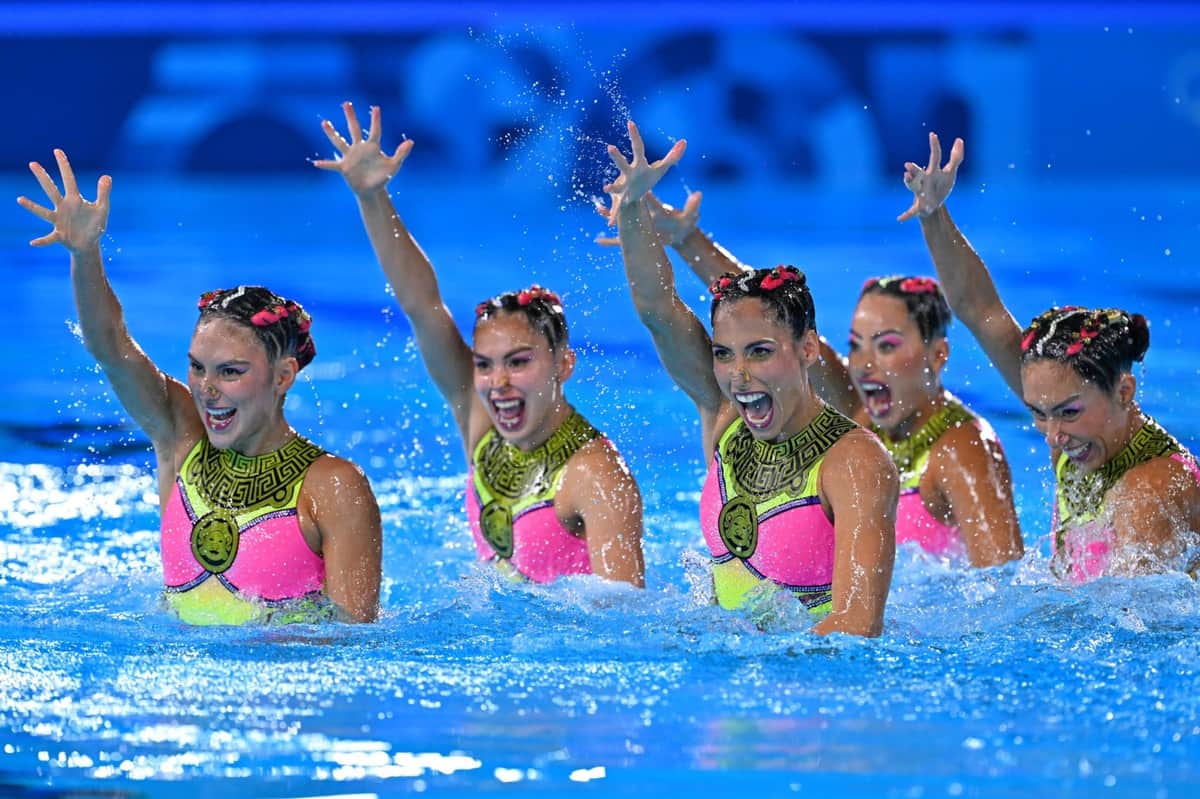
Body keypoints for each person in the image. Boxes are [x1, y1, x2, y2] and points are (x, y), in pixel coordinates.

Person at [17, 150, 382, 624]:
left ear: (283, 376)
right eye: (197, 368)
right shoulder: (181, 436)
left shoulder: (333, 487)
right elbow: (111, 349)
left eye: (230, 371)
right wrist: (85, 255)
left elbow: (353, 641)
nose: (207, 389)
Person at [315, 102, 645, 587]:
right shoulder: (480, 417)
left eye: (519, 362)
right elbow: (422, 305)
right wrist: (372, 197)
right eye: (486, 365)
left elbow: (626, 614)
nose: (498, 382)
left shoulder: (597, 476)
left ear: (564, 365)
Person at [599, 191, 1023, 567]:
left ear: (938, 354)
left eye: (887, 346)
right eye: (856, 346)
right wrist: (688, 240)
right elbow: (764, 318)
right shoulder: (857, 415)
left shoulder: (961, 448)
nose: (864, 364)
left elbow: (1000, 583)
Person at [604, 121, 897, 635]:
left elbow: (857, 624)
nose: (738, 375)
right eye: (724, 354)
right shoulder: (724, 418)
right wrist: (631, 208)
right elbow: (657, 310)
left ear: (807, 349)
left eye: (760, 353)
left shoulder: (855, 462)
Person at [899, 132, 1200, 581]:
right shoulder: (1085, 430)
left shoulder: (1149, 491)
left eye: (1067, 413)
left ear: (1124, 391)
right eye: (1038, 414)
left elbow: (1127, 619)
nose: (1052, 436)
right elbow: (979, 310)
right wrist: (933, 215)